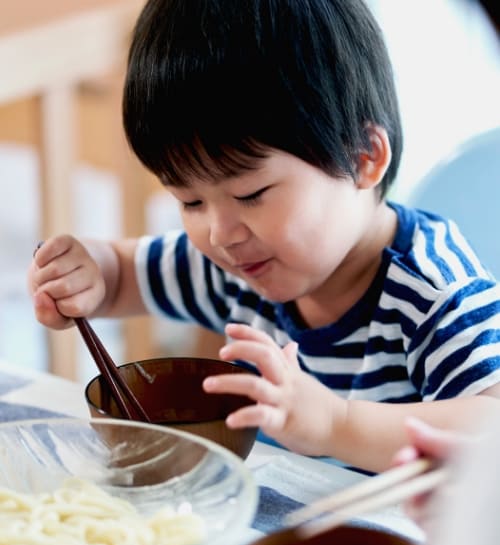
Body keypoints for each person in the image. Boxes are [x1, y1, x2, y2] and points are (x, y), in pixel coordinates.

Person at [28, 0, 500, 474]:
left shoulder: (432, 292)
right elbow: (125, 275)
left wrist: (336, 424)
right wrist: (88, 273)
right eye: (190, 201)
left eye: (251, 193)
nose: (220, 233)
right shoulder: (237, 269)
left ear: (362, 158)